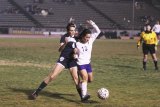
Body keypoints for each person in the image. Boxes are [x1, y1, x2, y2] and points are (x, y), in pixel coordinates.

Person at [28, 22, 81, 100]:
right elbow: (60, 50)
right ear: (67, 30)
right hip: (64, 58)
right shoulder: (64, 37)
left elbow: (79, 51)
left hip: (72, 60)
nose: (73, 31)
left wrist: (77, 52)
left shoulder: (77, 39)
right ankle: (36, 93)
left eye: (74, 30)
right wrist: (65, 44)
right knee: (52, 76)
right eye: (71, 30)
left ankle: (83, 97)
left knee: (76, 79)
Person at [74, 20, 101, 101]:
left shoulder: (90, 41)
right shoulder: (77, 43)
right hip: (80, 63)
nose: (88, 39)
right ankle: (84, 96)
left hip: (88, 64)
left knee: (90, 80)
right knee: (85, 77)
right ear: (82, 36)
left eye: (89, 37)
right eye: (86, 37)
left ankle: (82, 86)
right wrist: (74, 54)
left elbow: (98, 31)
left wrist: (92, 23)